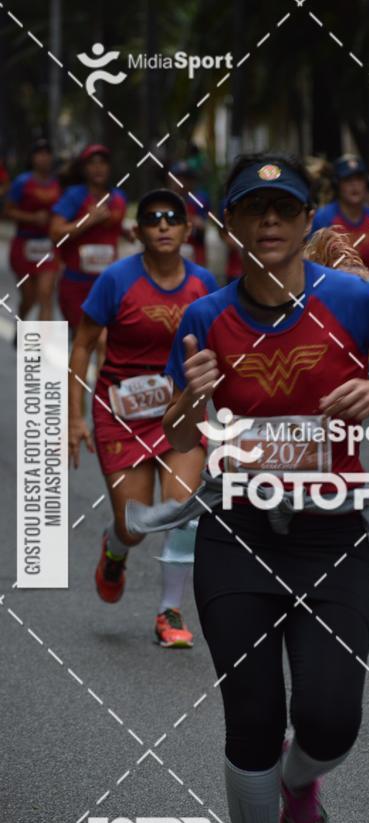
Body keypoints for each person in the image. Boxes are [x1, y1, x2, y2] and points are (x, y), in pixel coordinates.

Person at [161, 152, 369, 823]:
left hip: (330, 537)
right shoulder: (204, 317)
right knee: (249, 718)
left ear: (307, 220)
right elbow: (181, 439)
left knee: (331, 720)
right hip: (238, 535)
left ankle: (299, 783)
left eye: (284, 208)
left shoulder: (353, 301)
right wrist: (190, 395)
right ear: (231, 225)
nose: (270, 222)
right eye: (254, 209)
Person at [68, 189, 219, 648]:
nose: (163, 225)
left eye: (173, 218)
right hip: (122, 415)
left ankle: (168, 612)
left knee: (182, 511)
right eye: (152, 218)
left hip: (180, 412)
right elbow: (83, 345)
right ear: (138, 231)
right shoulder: (116, 280)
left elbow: (226, 350)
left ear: (187, 230)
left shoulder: (204, 284)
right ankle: (114, 550)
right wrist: (75, 418)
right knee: (136, 526)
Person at [50, 144, 128, 333]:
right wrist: (88, 220)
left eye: (102, 163)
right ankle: (40, 354)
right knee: (82, 342)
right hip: (76, 282)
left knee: (104, 341)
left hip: (108, 283)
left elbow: (113, 228)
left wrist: (130, 232)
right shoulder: (74, 195)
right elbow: (55, 233)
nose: (98, 168)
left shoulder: (119, 198)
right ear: (84, 169)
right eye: (92, 163)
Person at [5, 138, 61, 327]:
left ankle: (41, 351)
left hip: (48, 245)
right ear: (33, 158)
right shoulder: (22, 182)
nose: (44, 158)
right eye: (39, 153)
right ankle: (20, 323)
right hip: (24, 245)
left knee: (45, 294)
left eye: (47, 153)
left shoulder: (58, 184)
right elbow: (7, 211)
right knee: (30, 296)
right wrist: (32, 218)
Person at [311, 154, 369, 275]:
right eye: (348, 180)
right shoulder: (323, 218)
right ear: (337, 185)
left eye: (359, 179)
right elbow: (312, 264)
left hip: (367, 288)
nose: (355, 185)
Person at [170, 161, 211, 266]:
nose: (182, 182)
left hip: (195, 254)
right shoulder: (166, 199)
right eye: (179, 178)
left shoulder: (200, 199)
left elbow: (203, 226)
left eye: (187, 179)